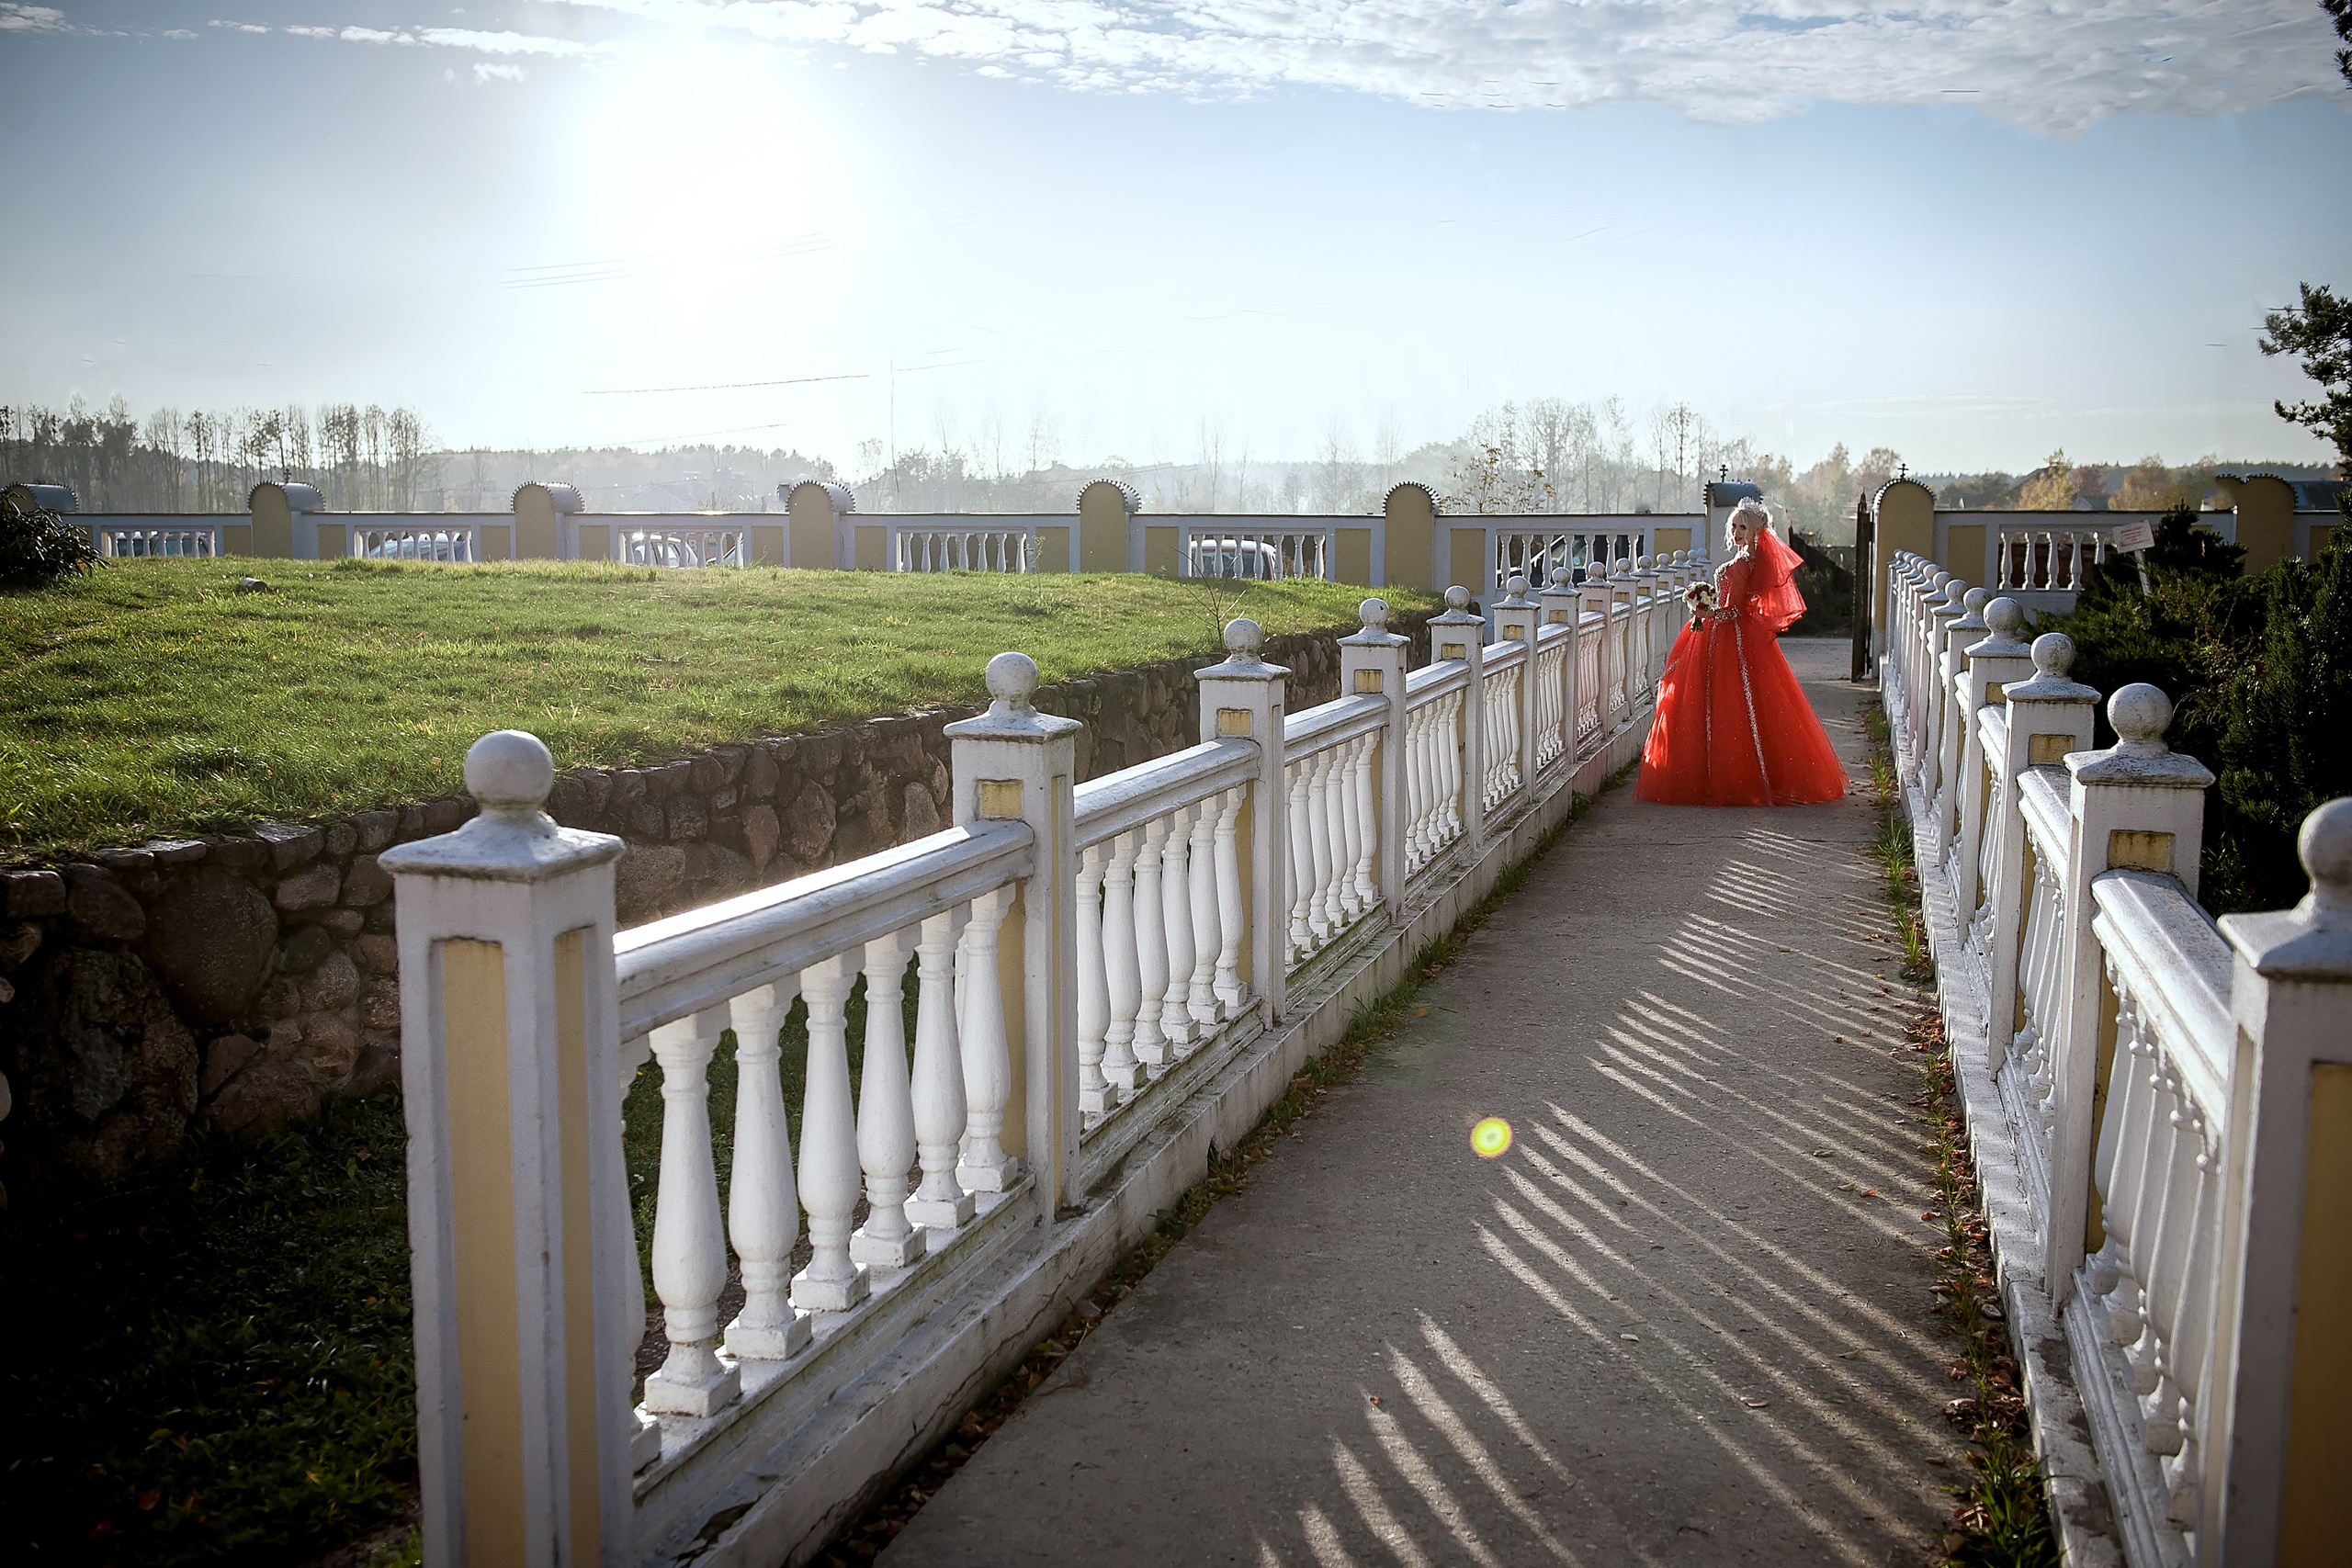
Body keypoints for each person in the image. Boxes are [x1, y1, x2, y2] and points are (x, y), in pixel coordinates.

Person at [1635, 497, 1848, 807]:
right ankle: (1743, 773)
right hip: (1734, 634)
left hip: (1728, 636)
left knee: (1728, 703)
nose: (1736, 531)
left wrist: (1706, 613)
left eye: (1743, 526)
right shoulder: (1750, 559)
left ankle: (1730, 777)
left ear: (1756, 530)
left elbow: (1733, 609)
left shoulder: (1744, 562)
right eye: (1734, 526)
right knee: (1740, 703)